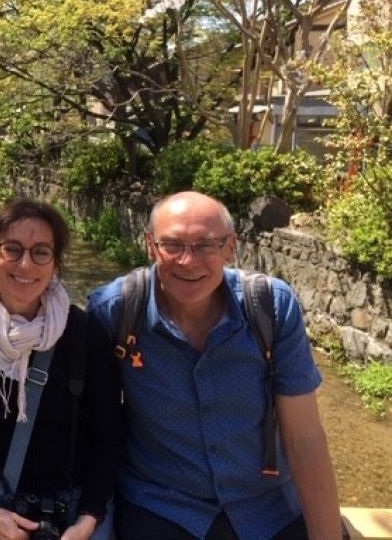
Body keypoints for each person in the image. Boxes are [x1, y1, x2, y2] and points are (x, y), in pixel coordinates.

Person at [87, 191, 344, 540]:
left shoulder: (271, 308)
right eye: (172, 245)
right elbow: (91, 425)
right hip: (163, 506)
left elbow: (305, 438)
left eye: (207, 244)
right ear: (151, 246)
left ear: (230, 247)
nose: (189, 261)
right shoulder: (115, 311)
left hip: (268, 506)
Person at [0, 198, 119, 540]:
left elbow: (108, 435)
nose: (25, 264)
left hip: (75, 502)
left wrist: (88, 518)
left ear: (55, 263)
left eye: (40, 252)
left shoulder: (84, 333)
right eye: (13, 249)